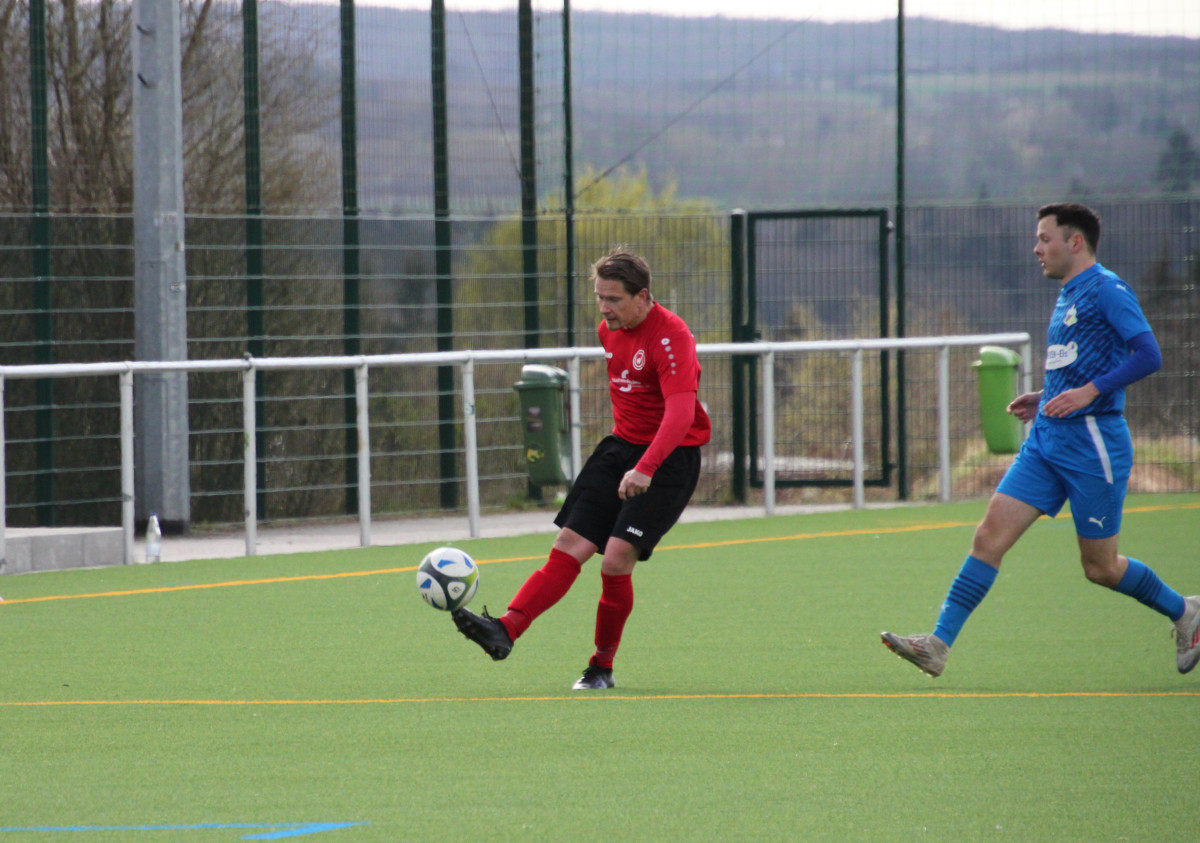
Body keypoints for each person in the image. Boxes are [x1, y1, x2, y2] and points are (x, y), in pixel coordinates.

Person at [882, 202, 1200, 678]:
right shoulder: (1069, 293)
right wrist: (1046, 396)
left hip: (1093, 444)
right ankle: (937, 645)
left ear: (1075, 242)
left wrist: (1089, 393)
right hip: (1048, 439)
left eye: (1044, 239)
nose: (1036, 248)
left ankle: (1186, 612)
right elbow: (1079, 360)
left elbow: (1148, 354)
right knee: (988, 536)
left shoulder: (1108, 289)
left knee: (1100, 567)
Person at [452, 248, 712, 689]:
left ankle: (601, 666)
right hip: (619, 449)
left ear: (643, 296)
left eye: (613, 299)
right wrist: (627, 459)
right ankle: (506, 629)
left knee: (613, 561)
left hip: (669, 459)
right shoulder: (608, 332)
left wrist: (646, 467)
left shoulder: (672, 337)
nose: (604, 308)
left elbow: (681, 414)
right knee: (570, 543)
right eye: (599, 298)